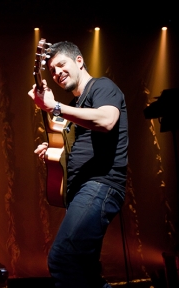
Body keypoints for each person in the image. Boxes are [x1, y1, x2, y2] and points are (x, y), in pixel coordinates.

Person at [28, 41, 128, 288]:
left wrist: (56, 108)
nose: (56, 72)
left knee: (63, 259)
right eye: (51, 70)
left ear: (79, 61)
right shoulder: (74, 109)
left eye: (61, 64)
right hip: (82, 191)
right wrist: (53, 149)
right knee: (85, 274)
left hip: (100, 186)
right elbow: (76, 145)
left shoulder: (102, 86)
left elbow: (106, 120)